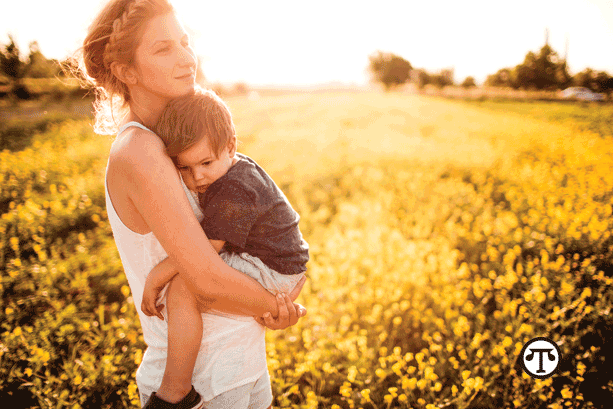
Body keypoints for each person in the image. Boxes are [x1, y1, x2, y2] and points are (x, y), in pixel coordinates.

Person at [78, 0, 307, 407]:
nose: (186, 57)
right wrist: (279, 305)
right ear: (126, 71)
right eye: (163, 48)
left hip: (239, 364)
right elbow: (206, 277)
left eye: (184, 42)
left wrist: (274, 301)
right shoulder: (140, 150)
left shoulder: (183, 137)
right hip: (202, 382)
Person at [139, 87, 309, 408]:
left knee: (182, 288)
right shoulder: (229, 168)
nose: (197, 177)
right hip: (274, 258)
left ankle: (175, 391)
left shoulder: (235, 187)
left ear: (231, 146)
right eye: (184, 168)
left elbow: (205, 250)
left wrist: (158, 275)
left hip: (273, 266)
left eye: (205, 162)